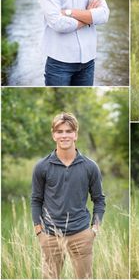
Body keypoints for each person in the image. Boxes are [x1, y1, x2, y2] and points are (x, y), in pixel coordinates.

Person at [31, 112, 105, 279]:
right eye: (59, 131)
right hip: (50, 236)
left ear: (76, 134)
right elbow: (36, 200)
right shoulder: (42, 167)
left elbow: (99, 200)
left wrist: (94, 229)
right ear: (53, 135)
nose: (64, 135)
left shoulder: (90, 166)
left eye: (68, 131)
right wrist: (39, 231)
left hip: (81, 234)